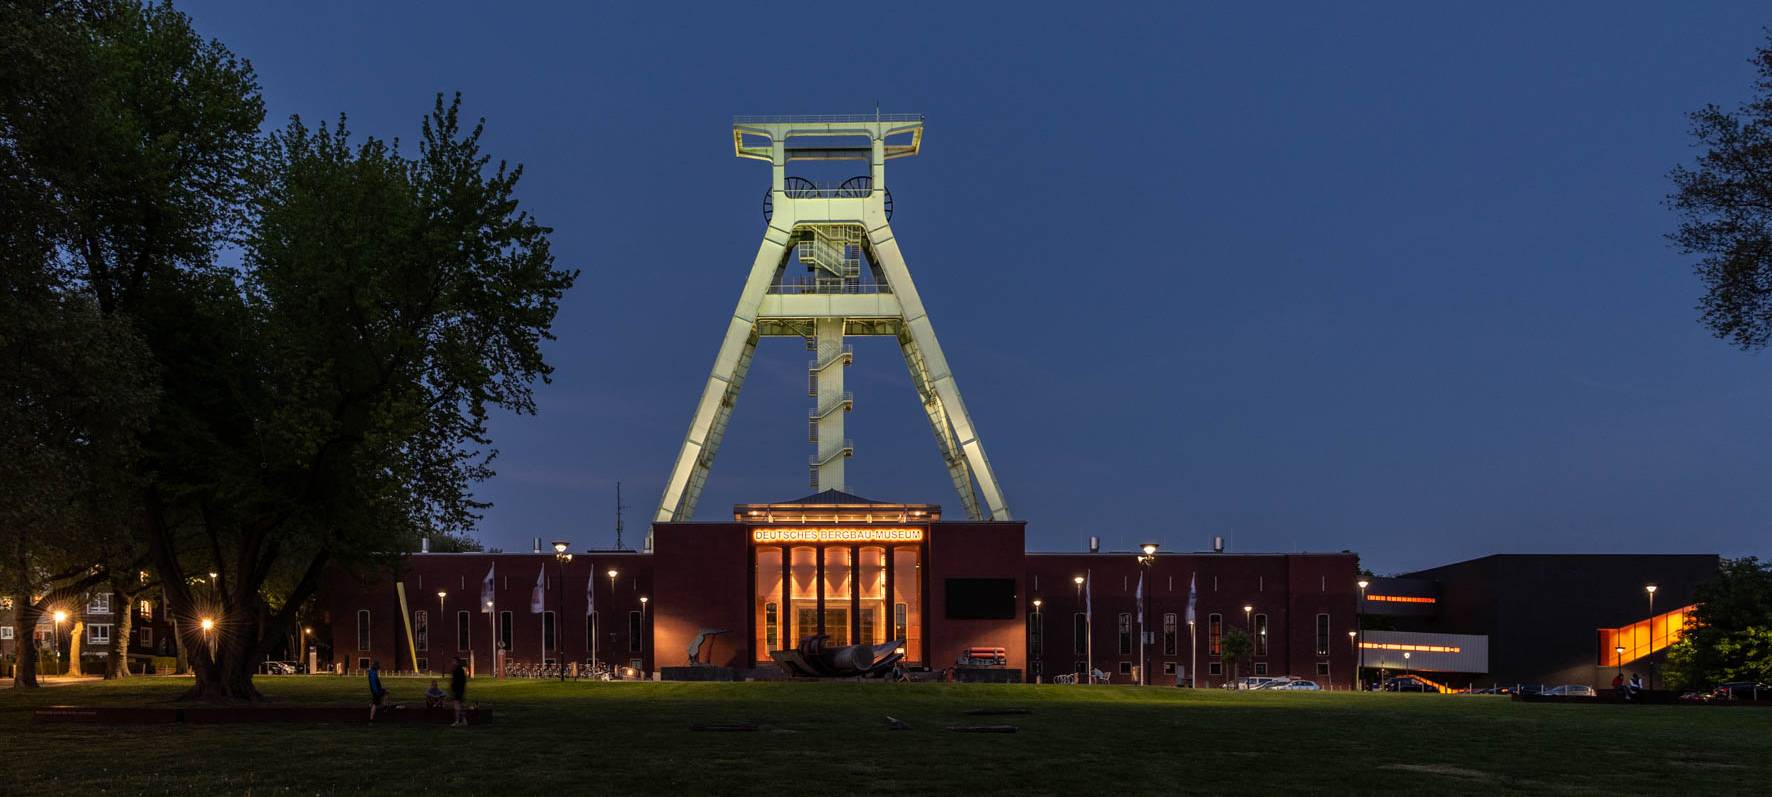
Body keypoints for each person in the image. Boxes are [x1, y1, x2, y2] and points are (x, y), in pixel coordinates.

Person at [449, 658, 469, 727]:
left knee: (457, 706)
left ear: (457, 662)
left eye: (453, 661)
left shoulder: (457, 670)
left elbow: (457, 681)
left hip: (458, 691)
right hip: (460, 691)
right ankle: (464, 721)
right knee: (460, 706)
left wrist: (454, 689)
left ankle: (457, 721)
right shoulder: (460, 670)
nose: (452, 662)